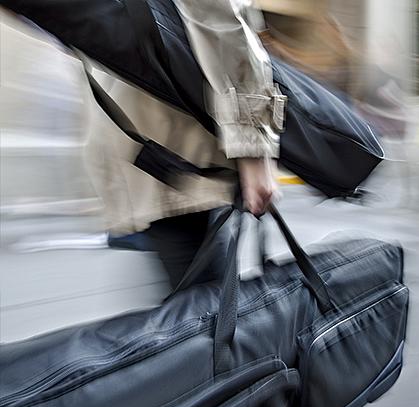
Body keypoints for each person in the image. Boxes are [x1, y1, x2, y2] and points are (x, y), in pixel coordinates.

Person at [83, 0, 283, 286]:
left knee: (196, 299)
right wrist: (253, 147)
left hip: (135, 125)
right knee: (208, 307)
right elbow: (217, 18)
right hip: (180, 129)